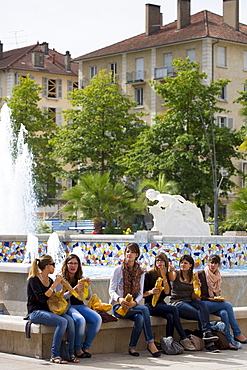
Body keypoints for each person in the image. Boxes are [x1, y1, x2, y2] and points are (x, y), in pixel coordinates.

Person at [109, 242, 161, 357]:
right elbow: (111, 291)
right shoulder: (118, 270)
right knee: (145, 310)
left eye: (132, 252)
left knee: (140, 318)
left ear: (137, 254)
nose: (129, 254)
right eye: (128, 252)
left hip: (132, 306)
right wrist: (120, 299)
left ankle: (132, 347)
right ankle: (150, 342)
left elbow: (140, 293)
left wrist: (135, 303)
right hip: (118, 307)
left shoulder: (140, 272)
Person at [27, 254, 79, 364]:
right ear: (47, 266)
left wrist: (63, 291)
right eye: (53, 265)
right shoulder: (34, 280)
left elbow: (52, 299)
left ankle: (70, 353)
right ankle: (55, 355)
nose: (55, 267)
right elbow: (41, 299)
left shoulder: (49, 280)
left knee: (70, 320)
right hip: (35, 312)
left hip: (48, 310)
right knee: (62, 321)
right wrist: (55, 284)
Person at [143, 252, 195, 351]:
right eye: (157, 260)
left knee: (170, 316)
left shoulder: (166, 275)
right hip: (150, 305)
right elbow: (141, 294)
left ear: (166, 262)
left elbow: (167, 292)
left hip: (161, 304)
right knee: (174, 309)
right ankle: (183, 337)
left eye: (162, 260)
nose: (159, 263)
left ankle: (168, 341)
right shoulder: (149, 274)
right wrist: (150, 292)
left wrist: (164, 277)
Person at [168, 254, 219, 353]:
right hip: (177, 302)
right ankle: (209, 337)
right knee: (201, 314)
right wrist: (171, 270)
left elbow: (194, 297)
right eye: (181, 263)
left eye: (185, 263)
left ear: (191, 265)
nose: (183, 265)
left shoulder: (193, 277)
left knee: (202, 305)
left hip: (189, 301)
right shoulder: (176, 274)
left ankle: (207, 334)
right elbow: (171, 277)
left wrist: (198, 288)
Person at [198, 254, 247, 350]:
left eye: (215, 263)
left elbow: (216, 293)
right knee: (228, 305)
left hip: (213, 303)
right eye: (211, 263)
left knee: (224, 313)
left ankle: (228, 341)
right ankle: (237, 333)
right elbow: (199, 295)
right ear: (208, 263)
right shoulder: (201, 274)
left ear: (219, 265)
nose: (213, 265)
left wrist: (217, 298)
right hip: (203, 303)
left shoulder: (217, 275)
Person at [61, 253, 102, 358]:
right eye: (70, 263)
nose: (73, 266)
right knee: (80, 320)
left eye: (75, 263)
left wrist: (87, 286)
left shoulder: (81, 278)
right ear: (66, 265)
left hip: (80, 305)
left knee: (97, 319)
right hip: (68, 307)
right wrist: (72, 291)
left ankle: (86, 347)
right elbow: (59, 298)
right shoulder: (61, 279)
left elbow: (87, 297)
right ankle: (77, 348)